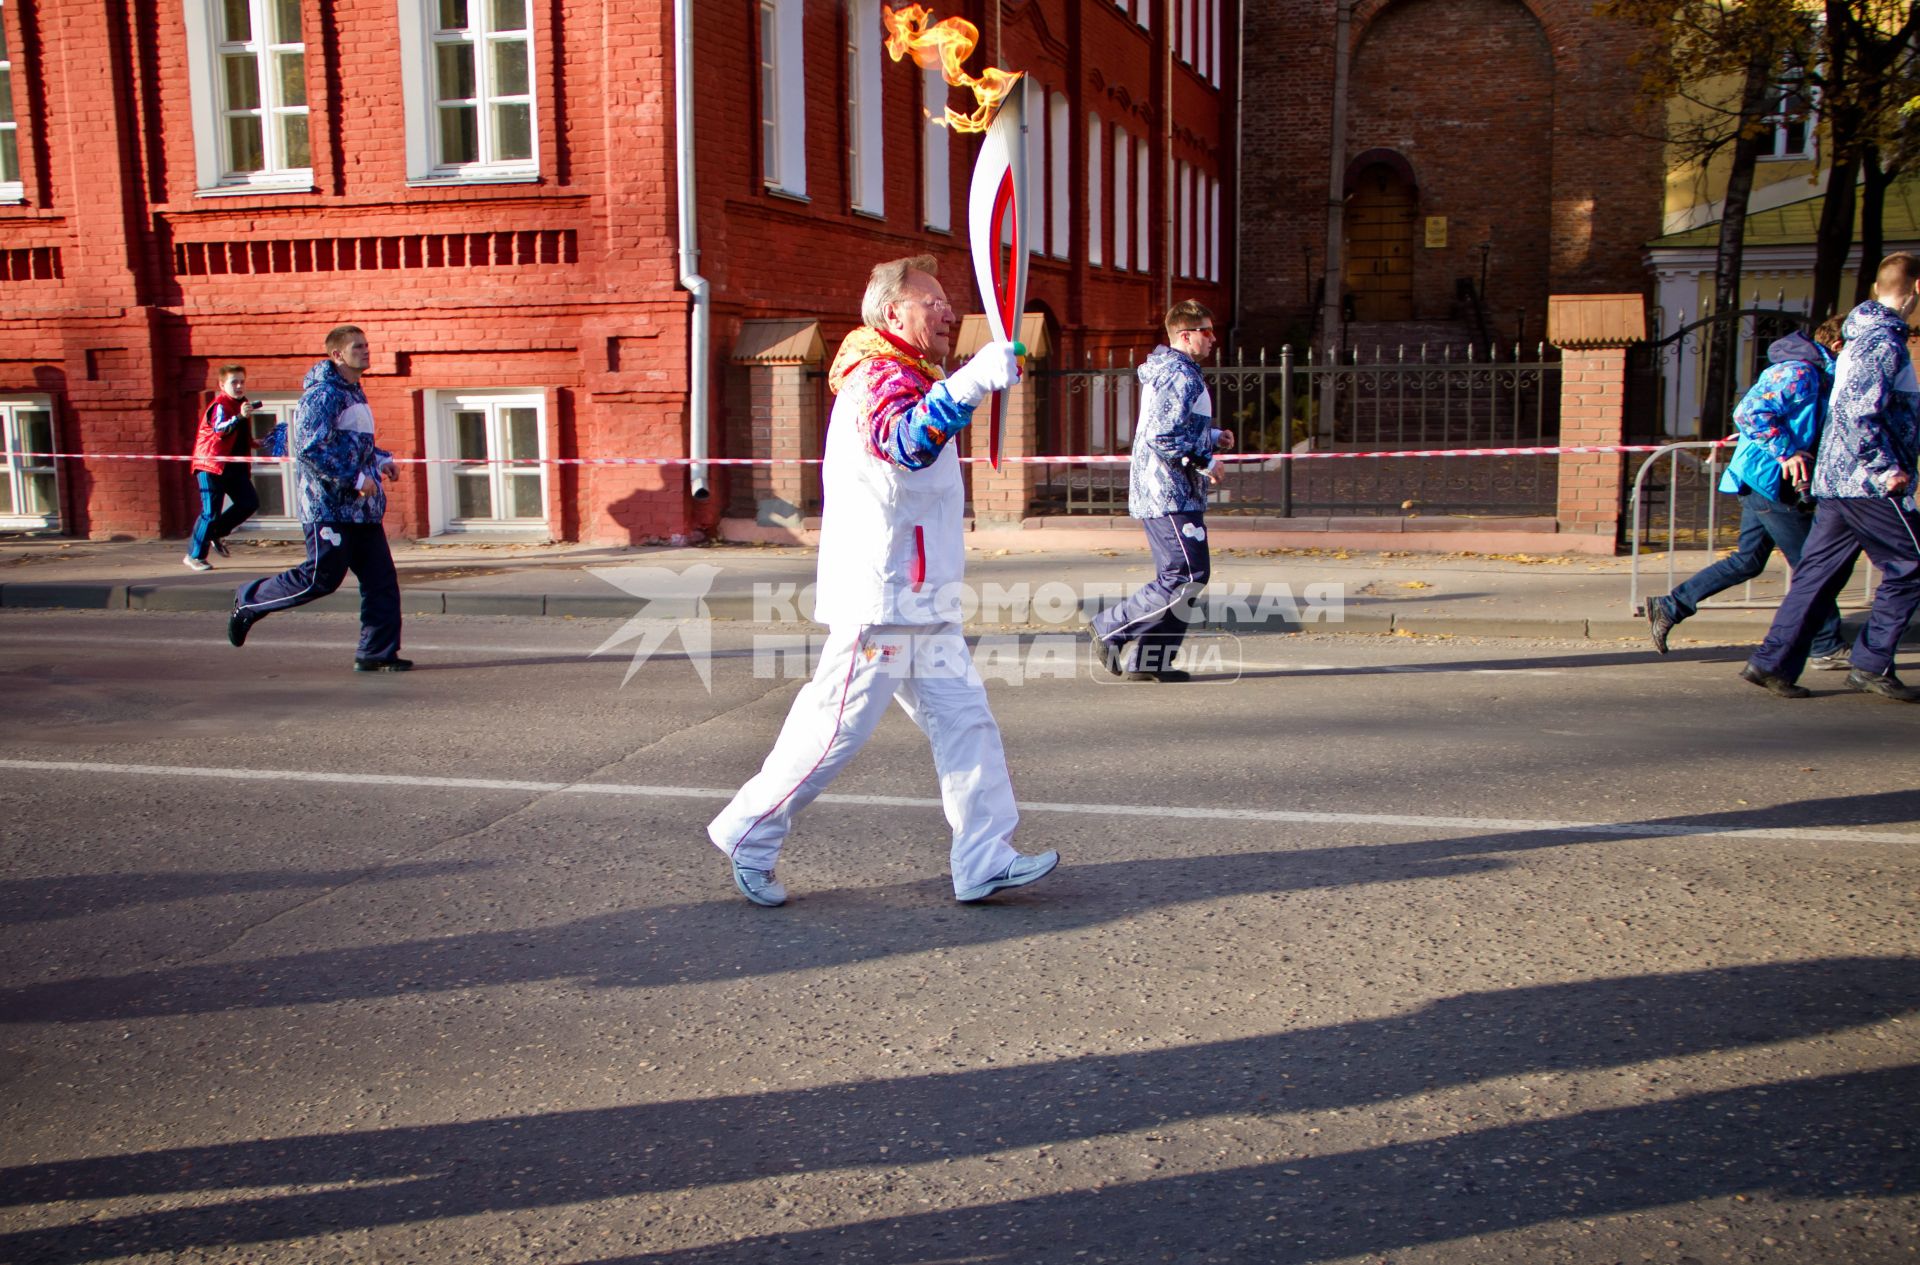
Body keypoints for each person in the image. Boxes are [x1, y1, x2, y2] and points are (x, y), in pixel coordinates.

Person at [706, 255, 1059, 907]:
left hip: (922, 596)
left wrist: (963, 382)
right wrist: (975, 381)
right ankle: (749, 830)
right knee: (835, 727)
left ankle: (982, 854)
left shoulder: (909, 373)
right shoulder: (877, 375)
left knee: (967, 723)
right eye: (933, 301)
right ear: (894, 312)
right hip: (883, 596)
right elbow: (905, 443)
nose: (949, 312)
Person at [1742, 252, 1920, 702]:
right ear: (1918, 288)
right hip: (1868, 482)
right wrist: (1887, 468)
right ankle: (1870, 662)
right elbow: (1858, 411)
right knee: (1912, 564)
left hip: (1840, 481)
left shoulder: (1864, 335)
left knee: (1817, 575)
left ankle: (1772, 661)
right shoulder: (1881, 339)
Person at [1646, 317, 1848, 663]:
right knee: (1814, 565)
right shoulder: (1800, 372)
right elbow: (1750, 412)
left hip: (1761, 479)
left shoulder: (1816, 372)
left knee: (1748, 560)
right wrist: (1786, 451)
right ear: (1839, 346)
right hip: (1771, 481)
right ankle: (1826, 645)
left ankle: (1671, 605)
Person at [225, 325, 410, 672]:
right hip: (328, 508)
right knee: (320, 579)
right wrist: (355, 477)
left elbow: (355, 445)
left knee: (381, 581)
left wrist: (381, 459)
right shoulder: (323, 395)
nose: (367, 351)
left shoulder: (354, 392)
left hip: (362, 511)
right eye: (358, 347)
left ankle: (376, 653)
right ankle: (248, 601)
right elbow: (310, 448)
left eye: (367, 345)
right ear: (337, 355)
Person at [1085, 300, 1235, 682]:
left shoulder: (1179, 371)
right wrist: (1205, 460)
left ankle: (1151, 660)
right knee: (1186, 574)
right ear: (1185, 336)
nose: (1213, 338)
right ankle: (1110, 628)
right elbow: (1161, 435)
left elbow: (1173, 425)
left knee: (1185, 575)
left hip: (1174, 489)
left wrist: (1214, 437)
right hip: (1167, 491)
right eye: (1206, 331)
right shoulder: (1179, 376)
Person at [183, 363, 263, 571]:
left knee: (249, 502)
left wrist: (256, 442)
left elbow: (238, 436)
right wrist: (239, 417)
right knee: (211, 512)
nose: (239, 386)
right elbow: (220, 430)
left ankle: (216, 533)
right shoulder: (220, 405)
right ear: (221, 385)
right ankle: (194, 555)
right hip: (211, 464)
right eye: (234, 382)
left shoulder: (242, 404)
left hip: (233, 467)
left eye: (242, 382)